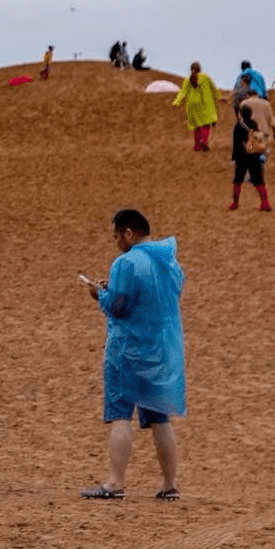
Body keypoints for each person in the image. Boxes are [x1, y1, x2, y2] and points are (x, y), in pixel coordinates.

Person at [79, 209, 185, 500]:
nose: (116, 243)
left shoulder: (125, 263)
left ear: (128, 232)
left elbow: (118, 308)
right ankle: (169, 484)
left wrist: (99, 294)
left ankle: (115, 482)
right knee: (160, 418)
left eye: (117, 237)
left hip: (128, 349)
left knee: (120, 414)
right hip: (160, 350)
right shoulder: (169, 262)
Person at [231, 94, 275, 211]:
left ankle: (235, 203)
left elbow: (236, 143)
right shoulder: (254, 125)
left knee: (238, 180)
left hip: (242, 157)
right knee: (258, 180)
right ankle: (265, 203)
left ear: (241, 114)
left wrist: (234, 156)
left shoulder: (239, 126)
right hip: (254, 155)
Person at [173, 62, 220, 151]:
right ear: (200, 68)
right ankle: (204, 140)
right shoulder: (205, 77)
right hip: (204, 103)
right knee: (206, 123)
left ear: (191, 69)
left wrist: (176, 102)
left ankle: (197, 145)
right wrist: (220, 96)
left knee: (197, 125)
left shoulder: (187, 80)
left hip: (192, 105)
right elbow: (213, 87)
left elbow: (182, 92)